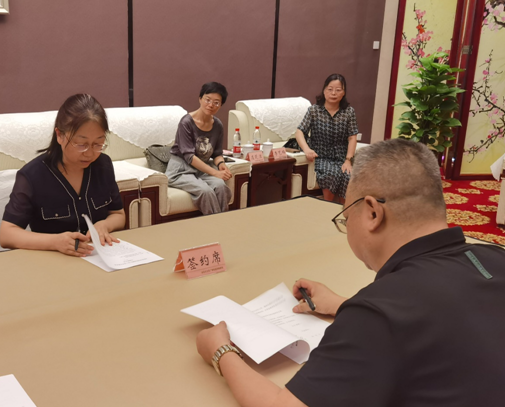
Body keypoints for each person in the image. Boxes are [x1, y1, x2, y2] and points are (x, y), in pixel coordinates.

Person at [195, 138, 505, 406]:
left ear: (372, 212)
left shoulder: (377, 314)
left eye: (346, 214)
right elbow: (447, 314)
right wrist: (343, 304)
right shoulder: (494, 257)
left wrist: (221, 351)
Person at [0, 93, 126, 257]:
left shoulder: (103, 165)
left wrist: (104, 225)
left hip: (98, 257)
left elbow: (118, 214)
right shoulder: (32, 176)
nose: (89, 153)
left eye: (98, 144)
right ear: (59, 135)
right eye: (81, 144)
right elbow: (7, 234)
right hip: (52, 261)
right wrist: (55, 242)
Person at [165, 82, 232, 215]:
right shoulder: (186, 122)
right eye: (208, 100)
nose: (211, 105)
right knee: (205, 191)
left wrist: (221, 164)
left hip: (201, 170)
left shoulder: (218, 125)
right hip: (180, 171)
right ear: (200, 99)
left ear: (221, 105)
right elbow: (189, 157)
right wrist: (215, 173)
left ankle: (223, 221)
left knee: (221, 186)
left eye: (216, 102)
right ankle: (216, 224)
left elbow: (217, 153)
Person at [294, 73, 358, 203]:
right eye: (330, 89)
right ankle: (327, 207)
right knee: (331, 174)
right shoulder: (314, 110)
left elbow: (352, 137)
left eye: (338, 90)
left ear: (343, 93)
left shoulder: (349, 112)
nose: (333, 93)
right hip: (320, 157)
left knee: (348, 176)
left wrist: (348, 160)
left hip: (341, 158)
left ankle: (343, 211)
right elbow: (300, 132)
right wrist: (307, 150)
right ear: (324, 91)